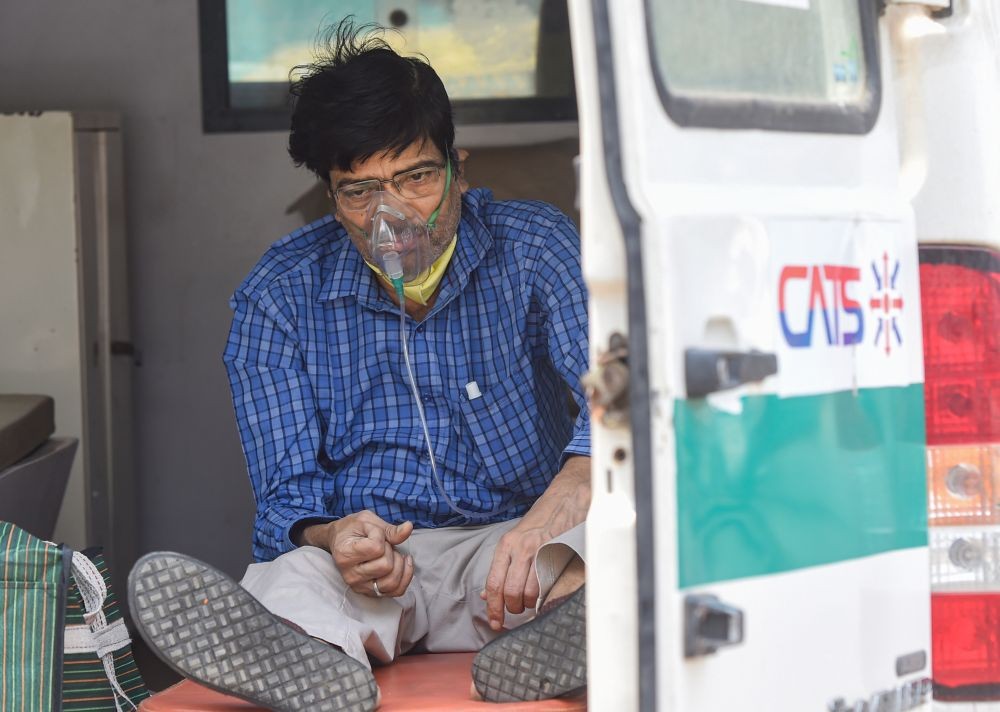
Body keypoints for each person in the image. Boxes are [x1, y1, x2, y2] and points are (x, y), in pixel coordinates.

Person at [128, 20, 590, 712]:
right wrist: (339, 537)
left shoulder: (537, 247)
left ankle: (563, 637)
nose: (394, 216)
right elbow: (286, 500)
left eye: (417, 178)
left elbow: (620, 412)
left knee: (607, 542)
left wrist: (558, 506)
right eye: (360, 191)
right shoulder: (279, 296)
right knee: (287, 582)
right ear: (329, 196)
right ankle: (314, 662)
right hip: (375, 581)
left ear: (460, 168)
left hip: (517, 553)